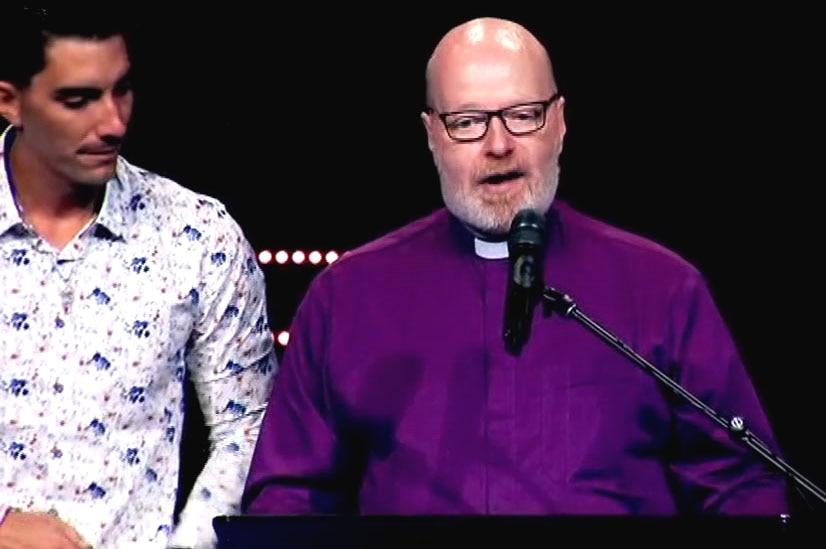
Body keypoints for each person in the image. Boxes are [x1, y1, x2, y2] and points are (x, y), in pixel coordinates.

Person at [241, 16, 789, 516]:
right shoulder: (347, 297)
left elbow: (743, 487)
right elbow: (288, 499)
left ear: (561, 123)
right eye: (468, 122)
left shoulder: (663, 287)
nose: (499, 144)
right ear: (432, 135)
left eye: (523, 116)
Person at [0, 3, 277, 548]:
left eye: (121, 90)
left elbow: (248, 429)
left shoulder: (197, 233)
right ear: (10, 101)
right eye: (77, 100)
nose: (114, 123)